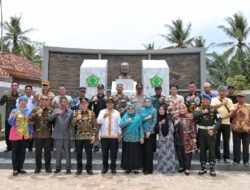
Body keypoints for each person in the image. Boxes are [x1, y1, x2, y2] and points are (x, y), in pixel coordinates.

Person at [193, 94, 221, 176]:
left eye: (207, 99)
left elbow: (219, 121)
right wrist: (202, 112)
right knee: (202, 149)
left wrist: (214, 130)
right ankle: (203, 167)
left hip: (210, 132)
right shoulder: (198, 109)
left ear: (210, 101)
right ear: (202, 100)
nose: (205, 101)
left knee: (212, 150)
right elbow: (193, 116)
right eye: (204, 99)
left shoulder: (214, 109)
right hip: (201, 132)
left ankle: (212, 168)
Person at [8, 96, 33, 176]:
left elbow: (30, 124)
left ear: (26, 102)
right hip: (15, 134)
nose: (23, 102)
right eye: (21, 101)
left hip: (25, 135)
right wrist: (13, 117)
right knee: (15, 152)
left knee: (22, 152)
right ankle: (15, 169)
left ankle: (21, 167)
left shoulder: (29, 111)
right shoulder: (14, 110)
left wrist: (31, 132)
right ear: (19, 102)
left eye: (24, 101)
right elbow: (10, 122)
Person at [72, 99, 98, 175]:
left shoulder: (92, 113)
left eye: (85, 103)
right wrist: (77, 118)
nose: (83, 105)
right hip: (79, 137)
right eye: (82, 104)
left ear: (87, 104)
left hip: (89, 136)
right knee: (79, 154)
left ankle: (89, 168)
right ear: (80, 105)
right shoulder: (77, 113)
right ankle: (79, 169)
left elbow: (95, 126)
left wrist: (93, 135)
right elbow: (72, 124)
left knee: (89, 154)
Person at [48, 97, 73, 174]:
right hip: (57, 135)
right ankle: (58, 168)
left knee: (68, 153)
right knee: (58, 153)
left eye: (65, 102)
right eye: (62, 102)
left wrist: (72, 135)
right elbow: (49, 119)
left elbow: (72, 124)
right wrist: (57, 113)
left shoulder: (71, 112)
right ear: (59, 103)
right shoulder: (55, 110)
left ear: (67, 103)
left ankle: (68, 168)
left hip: (67, 135)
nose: (63, 103)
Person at [97, 97, 121, 174]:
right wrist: (104, 116)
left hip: (114, 136)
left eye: (111, 103)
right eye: (108, 103)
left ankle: (113, 168)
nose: (110, 104)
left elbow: (119, 124)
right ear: (106, 104)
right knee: (105, 153)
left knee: (114, 154)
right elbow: (98, 121)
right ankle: (105, 167)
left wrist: (120, 135)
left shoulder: (117, 112)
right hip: (104, 136)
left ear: (113, 104)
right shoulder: (102, 111)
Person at [29, 95, 53, 174]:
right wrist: (36, 114)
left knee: (48, 153)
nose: (44, 101)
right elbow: (30, 120)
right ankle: (38, 167)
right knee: (38, 153)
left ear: (48, 101)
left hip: (48, 135)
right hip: (38, 135)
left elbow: (55, 122)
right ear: (39, 101)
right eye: (42, 99)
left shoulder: (51, 110)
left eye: (46, 99)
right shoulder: (35, 109)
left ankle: (47, 167)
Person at [211, 86, 234, 163]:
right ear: (218, 92)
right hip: (216, 123)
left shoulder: (229, 100)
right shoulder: (214, 99)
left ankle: (226, 157)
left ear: (226, 92)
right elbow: (212, 108)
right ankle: (217, 156)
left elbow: (231, 112)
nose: (222, 93)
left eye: (223, 91)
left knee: (226, 141)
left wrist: (223, 117)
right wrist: (222, 103)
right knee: (216, 141)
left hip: (226, 123)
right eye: (220, 91)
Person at [120, 103, 144, 174]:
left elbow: (140, 127)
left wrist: (142, 137)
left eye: (132, 109)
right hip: (127, 138)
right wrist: (126, 122)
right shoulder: (125, 116)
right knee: (127, 154)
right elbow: (121, 125)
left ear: (134, 109)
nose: (130, 110)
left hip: (135, 138)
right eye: (129, 109)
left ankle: (135, 168)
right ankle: (127, 168)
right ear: (127, 110)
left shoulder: (138, 117)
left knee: (135, 154)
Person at [174, 104, 197, 176]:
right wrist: (175, 124)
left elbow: (193, 127)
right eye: (180, 108)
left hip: (187, 137)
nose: (182, 110)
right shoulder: (175, 117)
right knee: (179, 153)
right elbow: (172, 128)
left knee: (187, 154)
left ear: (186, 109)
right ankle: (182, 167)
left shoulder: (189, 116)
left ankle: (187, 168)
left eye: (183, 108)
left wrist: (194, 137)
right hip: (177, 138)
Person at [154, 106, 176, 174]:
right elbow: (155, 130)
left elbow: (172, 130)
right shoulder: (158, 118)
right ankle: (161, 169)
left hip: (169, 139)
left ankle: (170, 169)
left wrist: (166, 138)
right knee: (162, 154)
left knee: (168, 155)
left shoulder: (169, 118)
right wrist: (160, 123)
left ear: (165, 110)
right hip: (161, 139)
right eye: (160, 109)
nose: (161, 110)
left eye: (162, 109)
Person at [0, 81, 20, 152]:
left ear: (18, 87)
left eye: (15, 85)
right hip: (8, 118)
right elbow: (1, 103)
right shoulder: (7, 95)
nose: (14, 87)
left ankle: (16, 148)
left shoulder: (20, 96)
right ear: (11, 87)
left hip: (17, 119)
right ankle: (9, 147)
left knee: (17, 133)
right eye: (13, 86)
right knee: (7, 133)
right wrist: (4, 95)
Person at [231, 92, 250, 165]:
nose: (240, 98)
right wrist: (236, 109)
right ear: (236, 98)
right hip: (236, 127)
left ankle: (246, 161)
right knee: (236, 145)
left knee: (246, 145)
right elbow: (231, 116)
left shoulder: (248, 106)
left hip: (246, 128)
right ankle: (236, 160)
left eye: (241, 97)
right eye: (238, 97)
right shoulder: (233, 106)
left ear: (244, 98)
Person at [17, 85, 36, 152]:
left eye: (29, 89)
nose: (28, 90)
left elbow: (36, 107)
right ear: (25, 90)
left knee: (31, 131)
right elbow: (17, 106)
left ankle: (30, 146)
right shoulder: (22, 98)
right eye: (27, 89)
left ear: (31, 90)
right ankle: (23, 146)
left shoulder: (34, 98)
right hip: (22, 117)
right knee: (23, 131)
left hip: (31, 117)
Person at [141, 97, 157, 174]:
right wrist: (146, 117)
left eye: (148, 101)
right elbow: (140, 120)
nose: (147, 102)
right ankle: (144, 168)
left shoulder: (154, 110)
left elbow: (154, 122)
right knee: (143, 151)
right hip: (143, 132)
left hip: (151, 133)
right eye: (146, 101)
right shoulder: (142, 109)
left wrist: (149, 131)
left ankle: (149, 169)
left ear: (151, 102)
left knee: (149, 151)